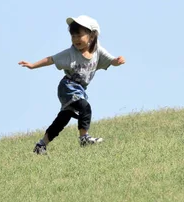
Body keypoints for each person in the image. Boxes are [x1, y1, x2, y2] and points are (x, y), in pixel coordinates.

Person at [18, 15, 125, 154]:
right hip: (67, 87)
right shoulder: (70, 53)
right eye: (72, 36)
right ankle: (84, 138)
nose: (75, 39)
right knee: (85, 107)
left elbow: (111, 60)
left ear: (92, 35)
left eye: (79, 35)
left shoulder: (98, 51)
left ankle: (41, 145)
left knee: (64, 118)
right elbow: (51, 59)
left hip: (79, 89)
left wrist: (118, 61)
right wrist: (32, 65)